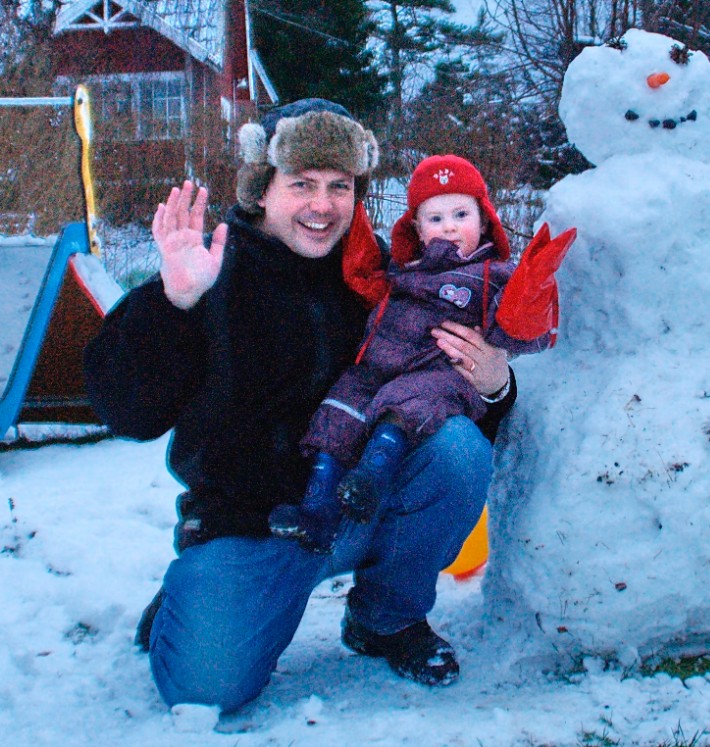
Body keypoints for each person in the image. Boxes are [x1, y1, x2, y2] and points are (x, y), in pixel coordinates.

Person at [83, 99, 520, 712]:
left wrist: (495, 383)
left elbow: (442, 397)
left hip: (352, 506)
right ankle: (197, 596)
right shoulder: (210, 271)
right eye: (302, 184)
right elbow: (127, 413)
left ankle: (384, 618)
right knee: (207, 687)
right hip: (249, 527)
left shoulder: (378, 282)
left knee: (456, 451)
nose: (322, 205)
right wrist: (174, 304)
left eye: (339, 186)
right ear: (263, 188)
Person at [269, 154, 575, 554]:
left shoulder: (493, 275)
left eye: (461, 214)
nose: (449, 226)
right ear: (416, 227)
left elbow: (516, 327)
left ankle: (372, 480)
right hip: (376, 371)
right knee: (338, 412)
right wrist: (356, 219)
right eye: (435, 218)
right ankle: (317, 512)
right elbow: (367, 280)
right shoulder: (405, 269)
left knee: (408, 404)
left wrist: (534, 280)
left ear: (484, 220)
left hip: (439, 376)